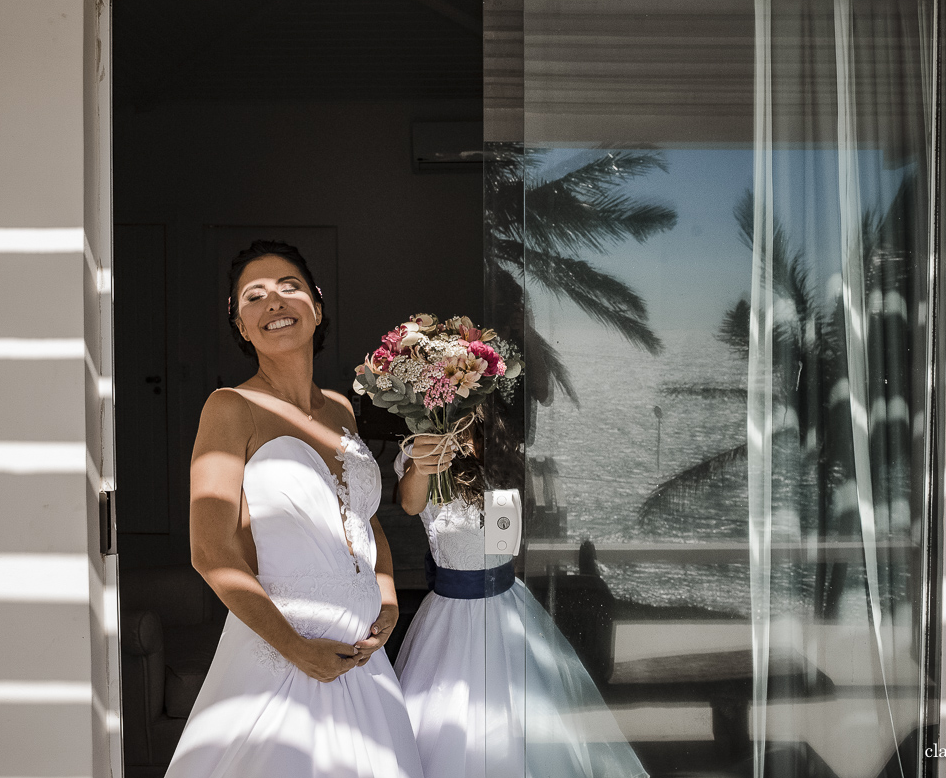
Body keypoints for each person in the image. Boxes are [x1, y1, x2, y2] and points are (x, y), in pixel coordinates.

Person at [165, 240, 423, 778]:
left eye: (289, 287)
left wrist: (389, 600)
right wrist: (295, 649)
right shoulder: (230, 407)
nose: (275, 303)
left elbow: (362, 518)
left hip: (362, 659)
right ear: (240, 324)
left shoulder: (341, 409)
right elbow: (210, 552)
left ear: (317, 306)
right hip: (282, 653)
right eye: (254, 296)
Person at [392, 410, 648, 778]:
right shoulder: (422, 448)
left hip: (505, 602)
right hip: (451, 611)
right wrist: (423, 464)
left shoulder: (500, 450)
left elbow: (505, 544)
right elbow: (410, 504)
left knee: (524, 720)